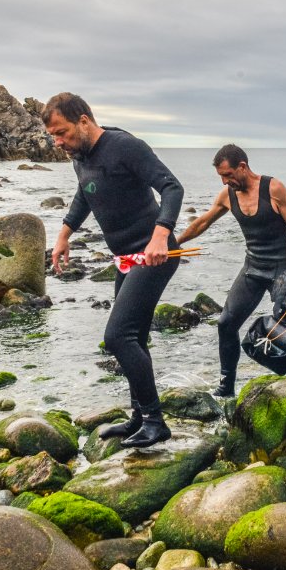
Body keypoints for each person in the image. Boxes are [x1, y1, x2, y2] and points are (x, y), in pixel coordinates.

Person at [43, 93, 184, 448]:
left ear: (84, 121)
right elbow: (85, 194)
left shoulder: (126, 146)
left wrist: (161, 236)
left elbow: (172, 187)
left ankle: (155, 421)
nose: (58, 142)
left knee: (118, 336)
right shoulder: (80, 156)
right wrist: (63, 235)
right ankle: (140, 416)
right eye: (54, 136)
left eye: (62, 133)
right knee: (133, 337)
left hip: (156, 255)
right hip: (125, 259)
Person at [176, 144, 286, 397]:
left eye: (228, 175)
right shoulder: (228, 195)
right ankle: (226, 387)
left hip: (282, 268)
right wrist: (174, 243)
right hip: (253, 268)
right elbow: (202, 221)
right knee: (225, 323)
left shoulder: (273, 189)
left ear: (242, 167)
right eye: (222, 177)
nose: (226, 181)